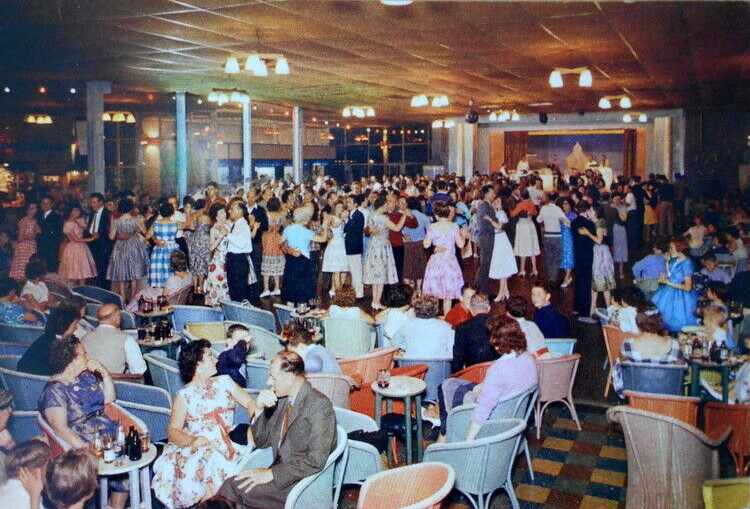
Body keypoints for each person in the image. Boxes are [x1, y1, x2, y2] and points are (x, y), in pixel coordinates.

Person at [215, 351, 337, 509]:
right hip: (280, 474)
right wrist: (259, 410)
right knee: (235, 494)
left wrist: (272, 474)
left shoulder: (318, 405)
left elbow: (316, 460)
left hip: (300, 484)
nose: (268, 382)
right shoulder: (282, 400)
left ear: (289, 377)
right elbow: (262, 441)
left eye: (273, 377)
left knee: (232, 487)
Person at [153, 339, 258, 508]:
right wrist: (192, 441)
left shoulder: (225, 381)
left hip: (229, 441)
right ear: (198, 364)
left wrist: (255, 422)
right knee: (210, 463)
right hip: (200, 444)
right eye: (210, 356)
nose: (216, 360)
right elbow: (173, 431)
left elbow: (250, 403)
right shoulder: (184, 395)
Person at [37, 336, 128, 509]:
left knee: (128, 468)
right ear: (71, 360)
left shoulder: (85, 377)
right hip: (81, 440)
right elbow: (60, 428)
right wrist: (88, 450)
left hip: (106, 432)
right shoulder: (54, 390)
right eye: (83, 353)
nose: (88, 355)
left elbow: (109, 398)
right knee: (123, 469)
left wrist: (105, 374)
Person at [432, 315, 537, 439]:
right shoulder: (528, 359)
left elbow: (483, 410)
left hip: (493, 419)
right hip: (515, 415)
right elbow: (509, 383)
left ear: (498, 344)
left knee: (446, 387)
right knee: (454, 384)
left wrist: (468, 441)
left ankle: (444, 431)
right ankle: (442, 427)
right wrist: (483, 386)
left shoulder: (498, 369)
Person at [611, 306, 684, 397]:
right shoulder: (673, 345)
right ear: (660, 322)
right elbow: (681, 370)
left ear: (638, 322)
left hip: (636, 401)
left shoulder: (627, 345)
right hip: (667, 401)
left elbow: (622, 366)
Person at [422, 200, 468, 315]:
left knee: (435, 293)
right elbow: (461, 245)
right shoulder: (454, 226)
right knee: (448, 295)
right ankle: (447, 320)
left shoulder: (432, 227)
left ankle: (434, 318)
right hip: (450, 262)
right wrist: (464, 235)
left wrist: (435, 247)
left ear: (436, 215)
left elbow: (426, 244)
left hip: (436, 263)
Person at [362, 195, 406, 310]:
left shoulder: (372, 214)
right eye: (387, 204)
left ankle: (375, 301)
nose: (388, 206)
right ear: (383, 205)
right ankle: (376, 301)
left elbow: (368, 229)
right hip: (382, 246)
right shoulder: (383, 218)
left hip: (373, 245)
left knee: (376, 274)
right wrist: (404, 216)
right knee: (381, 275)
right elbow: (396, 228)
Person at [81, 303, 147, 375]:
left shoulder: (84, 338)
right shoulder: (127, 339)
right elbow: (139, 371)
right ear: (117, 318)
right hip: (117, 383)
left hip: (89, 383)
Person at [280, 207, 327, 306]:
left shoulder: (288, 229)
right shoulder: (306, 232)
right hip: (303, 261)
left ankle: (289, 314)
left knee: (290, 288)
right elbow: (323, 239)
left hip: (290, 260)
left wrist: (289, 250)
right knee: (303, 290)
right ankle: (302, 315)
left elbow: (280, 242)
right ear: (305, 219)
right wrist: (326, 225)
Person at [652, 236, 699, 332]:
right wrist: (667, 263)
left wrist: (668, 282)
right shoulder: (677, 259)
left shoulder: (687, 263)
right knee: (664, 318)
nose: (670, 250)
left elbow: (688, 287)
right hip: (668, 291)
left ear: (679, 248)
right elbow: (670, 274)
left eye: (671, 248)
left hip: (680, 296)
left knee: (676, 320)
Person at [107, 198, 149, 302]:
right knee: (134, 273)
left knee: (121, 274)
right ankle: (132, 299)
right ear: (131, 208)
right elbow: (145, 231)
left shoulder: (116, 221)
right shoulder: (136, 220)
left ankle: (122, 299)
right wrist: (135, 231)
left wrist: (120, 236)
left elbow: (111, 237)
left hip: (120, 247)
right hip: (134, 245)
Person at [18, 306, 80, 376]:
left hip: (22, 379)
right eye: (74, 325)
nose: (76, 327)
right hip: (39, 382)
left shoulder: (46, 337)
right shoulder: (58, 346)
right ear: (65, 326)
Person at [126, 250, 192, 312]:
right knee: (149, 290)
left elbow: (163, 297)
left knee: (142, 294)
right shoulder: (189, 275)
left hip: (167, 302)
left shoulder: (172, 279)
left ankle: (128, 312)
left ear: (172, 265)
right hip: (175, 299)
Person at [451, 293, 497, 373]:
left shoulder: (462, 328)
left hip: (473, 374)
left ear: (471, 309)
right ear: (488, 308)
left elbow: (458, 360)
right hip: (497, 373)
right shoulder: (500, 324)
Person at [0, 440, 52, 509]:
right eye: (47, 466)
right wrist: (35, 497)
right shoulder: (24, 495)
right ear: (36, 471)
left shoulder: (8, 487)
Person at [486, 196, 517, 301]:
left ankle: (500, 293)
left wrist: (489, 220)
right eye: (496, 201)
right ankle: (505, 291)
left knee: (502, 266)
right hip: (497, 239)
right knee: (501, 265)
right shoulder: (496, 213)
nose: (497, 203)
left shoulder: (501, 213)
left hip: (500, 240)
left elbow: (499, 227)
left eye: (499, 201)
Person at [537, 193, 569, 282]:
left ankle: (551, 275)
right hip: (557, 236)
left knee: (549, 257)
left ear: (547, 199)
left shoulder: (543, 208)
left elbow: (538, 220)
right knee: (557, 257)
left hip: (547, 236)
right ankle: (553, 277)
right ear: (556, 200)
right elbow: (566, 221)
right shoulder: (557, 209)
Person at [401, 196, 430, 294]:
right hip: (420, 244)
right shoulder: (424, 216)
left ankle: (410, 291)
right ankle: (419, 289)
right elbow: (429, 231)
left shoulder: (404, 215)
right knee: (420, 268)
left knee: (409, 268)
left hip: (408, 244)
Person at [148, 202, 180, 288]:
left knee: (159, 270)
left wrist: (155, 240)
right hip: (173, 249)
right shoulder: (175, 223)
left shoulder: (156, 223)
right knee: (172, 270)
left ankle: (160, 293)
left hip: (159, 249)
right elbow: (188, 225)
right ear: (172, 212)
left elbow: (148, 236)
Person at [205, 203, 231, 308]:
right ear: (216, 216)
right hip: (217, 262)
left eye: (224, 212)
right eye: (221, 213)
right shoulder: (213, 229)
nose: (224, 214)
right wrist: (220, 236)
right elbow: (211, 247)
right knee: (216, 285)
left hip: (228, 259)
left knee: (227, 286)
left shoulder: (229, 225)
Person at [84, 193, 113, 288]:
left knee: (103, 270)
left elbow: (110, 230)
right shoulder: (91, 214)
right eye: (91, 202)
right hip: (91, 244)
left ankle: (104, 291)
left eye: (94, 202)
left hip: (103, 245)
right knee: (92, 269)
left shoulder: (107, 214)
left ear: (101, 203)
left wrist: (100, 233)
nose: (92, 205)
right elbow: (89, 227)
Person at [320, 201, 348, 297]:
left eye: (341, 207)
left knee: (338, 270)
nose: (340, 209)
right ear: (335, 208)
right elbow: (334, 225)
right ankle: (340, 295)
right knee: (336, 271)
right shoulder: (332, 217)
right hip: (335, 245)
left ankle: (333, 290)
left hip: (341, 244)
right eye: (338, 207)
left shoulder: (340, 218)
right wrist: (342, 219)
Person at [510, 190, 540, 277]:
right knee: (532, 246)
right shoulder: (531, 203)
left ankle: (522, 269)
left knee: (523, 246)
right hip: (530, 224)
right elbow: (535, 212)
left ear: (521, 196)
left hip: (523, 226)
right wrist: (529, 213)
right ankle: (534, 269)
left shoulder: (521, 204)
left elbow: (512, 214)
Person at [260, 197, 286, 298]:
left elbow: (264, 228)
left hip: (268, 239)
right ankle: (277, 287)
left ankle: (266, 288)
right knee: (276, 265)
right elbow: (282, 228)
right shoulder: (281, 216)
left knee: (267, 263)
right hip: (278, 239)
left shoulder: (266, 215)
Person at [473, 186, 496, 295]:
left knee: (487, 265)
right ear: (486, 194)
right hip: (486, 237)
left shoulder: (487, 205)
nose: (494, 195)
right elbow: (483, 223)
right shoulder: (483, 206)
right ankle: (476, 288)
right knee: (485, 265)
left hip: (488, 237)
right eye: (492, 192)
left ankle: (485, 290)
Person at [9, 202, 40, 281]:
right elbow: (20, 237)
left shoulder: (35, 220)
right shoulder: (24, 221)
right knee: (23, 269)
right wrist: (32, 234)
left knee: (30, 267)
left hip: (31, 246)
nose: (35, 210)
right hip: (24, 248)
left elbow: (39, 231)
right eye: (32, 208)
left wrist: (37, 231)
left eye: (35, 208)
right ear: (27, 210)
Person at [187, 199, 212, 296]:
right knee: (201, 265)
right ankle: (201, 287)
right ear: (204, 206)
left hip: (194, 240)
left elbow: (191, 227)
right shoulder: (205, 217)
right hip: (203, 241)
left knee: (194, 264)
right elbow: (210, 227)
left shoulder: (193, 216)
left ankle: (194, 289)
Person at [343, 194, 365, 299]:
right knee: (353, 270)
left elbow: (352, 229)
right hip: (350, 247)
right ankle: (356, 292)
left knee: (356, 271)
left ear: (355, 204)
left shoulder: (358, 215)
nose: (348, 204)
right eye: (347, 202)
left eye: (350, 202)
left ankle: (359, 294)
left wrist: (346, 220)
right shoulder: (352, 215)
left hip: (354, 247)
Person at [36, 196, 62, 272]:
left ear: (52, 204)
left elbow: (57, 233)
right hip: (41, 245)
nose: (45, 205)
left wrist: (42, 232)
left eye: (47, 203)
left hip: (51, 247)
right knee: (41, 269)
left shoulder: (56, 217)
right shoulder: (39, 216)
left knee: (50, 268)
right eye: (43, 203)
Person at [558, 197, 576, 287]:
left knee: (568, 256)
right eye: (563, 204)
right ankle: (568, 276)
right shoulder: (562, 213)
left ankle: (567, 276)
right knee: (563, 256)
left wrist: (564, 220)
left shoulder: (572, 214)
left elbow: (573, 226)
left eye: (566, 204)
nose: (564, 206)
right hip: (562, 237)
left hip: (568, 237)